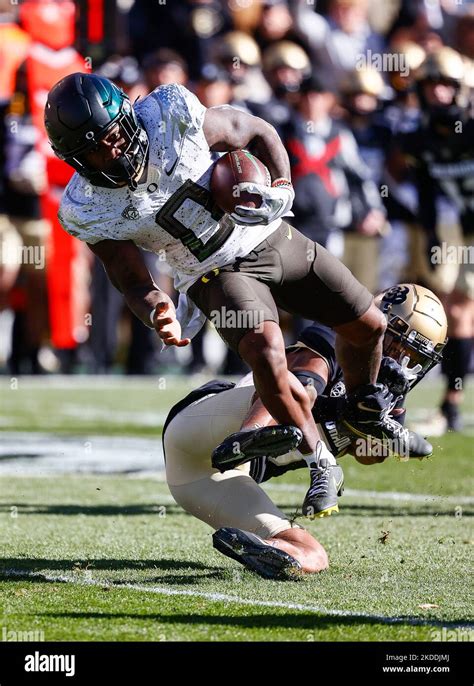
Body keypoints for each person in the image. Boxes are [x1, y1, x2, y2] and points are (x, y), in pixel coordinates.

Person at [44, 73, 404, 518]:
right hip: (211, 271)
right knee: (265, 350)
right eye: (93, 150)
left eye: (114, 136)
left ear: (129, 116)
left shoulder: (170, 117)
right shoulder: (87, 206)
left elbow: (258, 131)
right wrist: (155, 305)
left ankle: (363, 408)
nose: (111, 152)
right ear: (74, 160)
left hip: (267, 237)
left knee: (369, 324)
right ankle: (320, 461)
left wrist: (282, 184)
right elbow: (128, 276)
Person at [163, 283, 446, 579]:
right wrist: (344, 411)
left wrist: (375, 426)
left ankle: (265, 548)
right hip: (206, 428)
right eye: (397, 345)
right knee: (290, 390)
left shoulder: (390, 391)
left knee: (313, 555)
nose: (401, 361)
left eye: (412, 357)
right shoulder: (338, 335)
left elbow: (371, 456)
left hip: (206, 477)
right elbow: (301, 387)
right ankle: (249, 436)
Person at [389, 47, 474, 432]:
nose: (439, 93)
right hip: (463, 228)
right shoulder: (417, 140)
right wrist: (431, 237)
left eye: (447, 85)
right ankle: (451, 404)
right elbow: (425, 195)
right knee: (456, 311)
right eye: (432, 84)